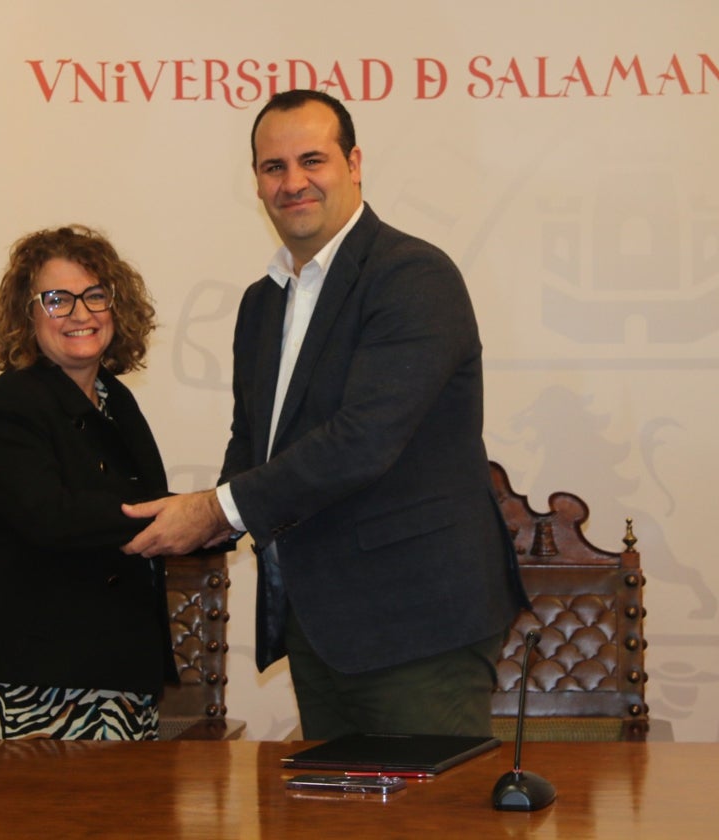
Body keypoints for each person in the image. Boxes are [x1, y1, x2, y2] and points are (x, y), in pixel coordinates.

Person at [122, 90, 528, 740]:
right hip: (319, 625)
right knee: (330, 821)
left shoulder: (412, 276)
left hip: (416, 625)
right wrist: (187, 520)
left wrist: (218, 508)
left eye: (312, 159)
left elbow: (362, 441)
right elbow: (255, 444)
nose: (293, 183)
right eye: (272, 167)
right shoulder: (262, 302)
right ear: (255, 181)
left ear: (355, 162)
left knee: (428, 823)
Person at [0, 225, 176, 740]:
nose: (80, 313)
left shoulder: (117, 401)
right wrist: (180, 515)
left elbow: (143, 507)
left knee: (126, 823)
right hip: (33, 684)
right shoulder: (9, 403)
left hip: (118, 679)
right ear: (26, 315)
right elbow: (51, 517)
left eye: (95, 295)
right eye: (57, 299)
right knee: (35, 824)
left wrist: (213, 517)